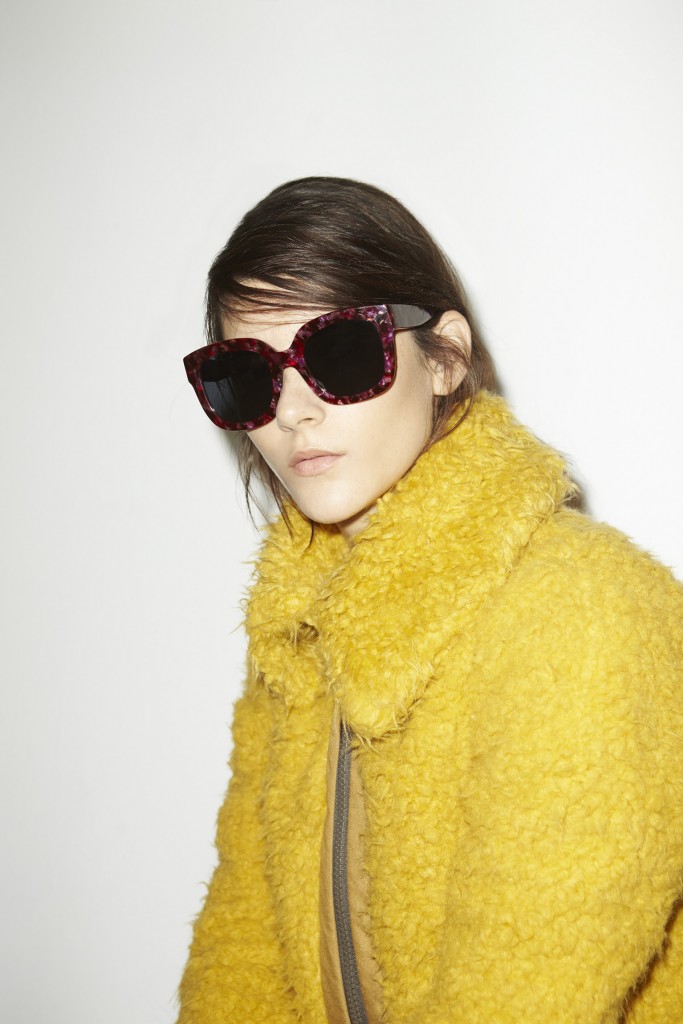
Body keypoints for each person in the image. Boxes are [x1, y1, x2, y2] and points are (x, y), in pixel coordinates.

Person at [177, 177, 683, 1024]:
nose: (293, 413)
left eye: (338, 356)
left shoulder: (587, 611)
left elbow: (525, 994)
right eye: (247, 376)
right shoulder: (296, 634)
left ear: (443, 357)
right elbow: (242, 952)